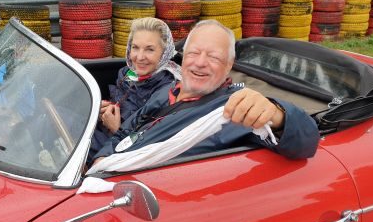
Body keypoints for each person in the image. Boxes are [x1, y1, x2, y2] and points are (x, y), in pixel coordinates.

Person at [92, 20, 320, 166]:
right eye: (194, 53)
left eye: (213, 57)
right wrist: (101, 158)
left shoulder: (231, 111)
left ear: (229, 64)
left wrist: (278, 115)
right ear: (183, 57)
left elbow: (306, 143)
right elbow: (124, 132)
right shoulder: (167, 93)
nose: (200, 63)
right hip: (113, 172)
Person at [87, 17, 181, 163]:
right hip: (103, 132)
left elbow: (148, 148)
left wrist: (116, 129)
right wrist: (102, 110)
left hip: (121, 149)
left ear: (164, 53)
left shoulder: (167, 92)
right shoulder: (127, 73)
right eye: (135, 47)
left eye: (149, 49)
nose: (139, 57)